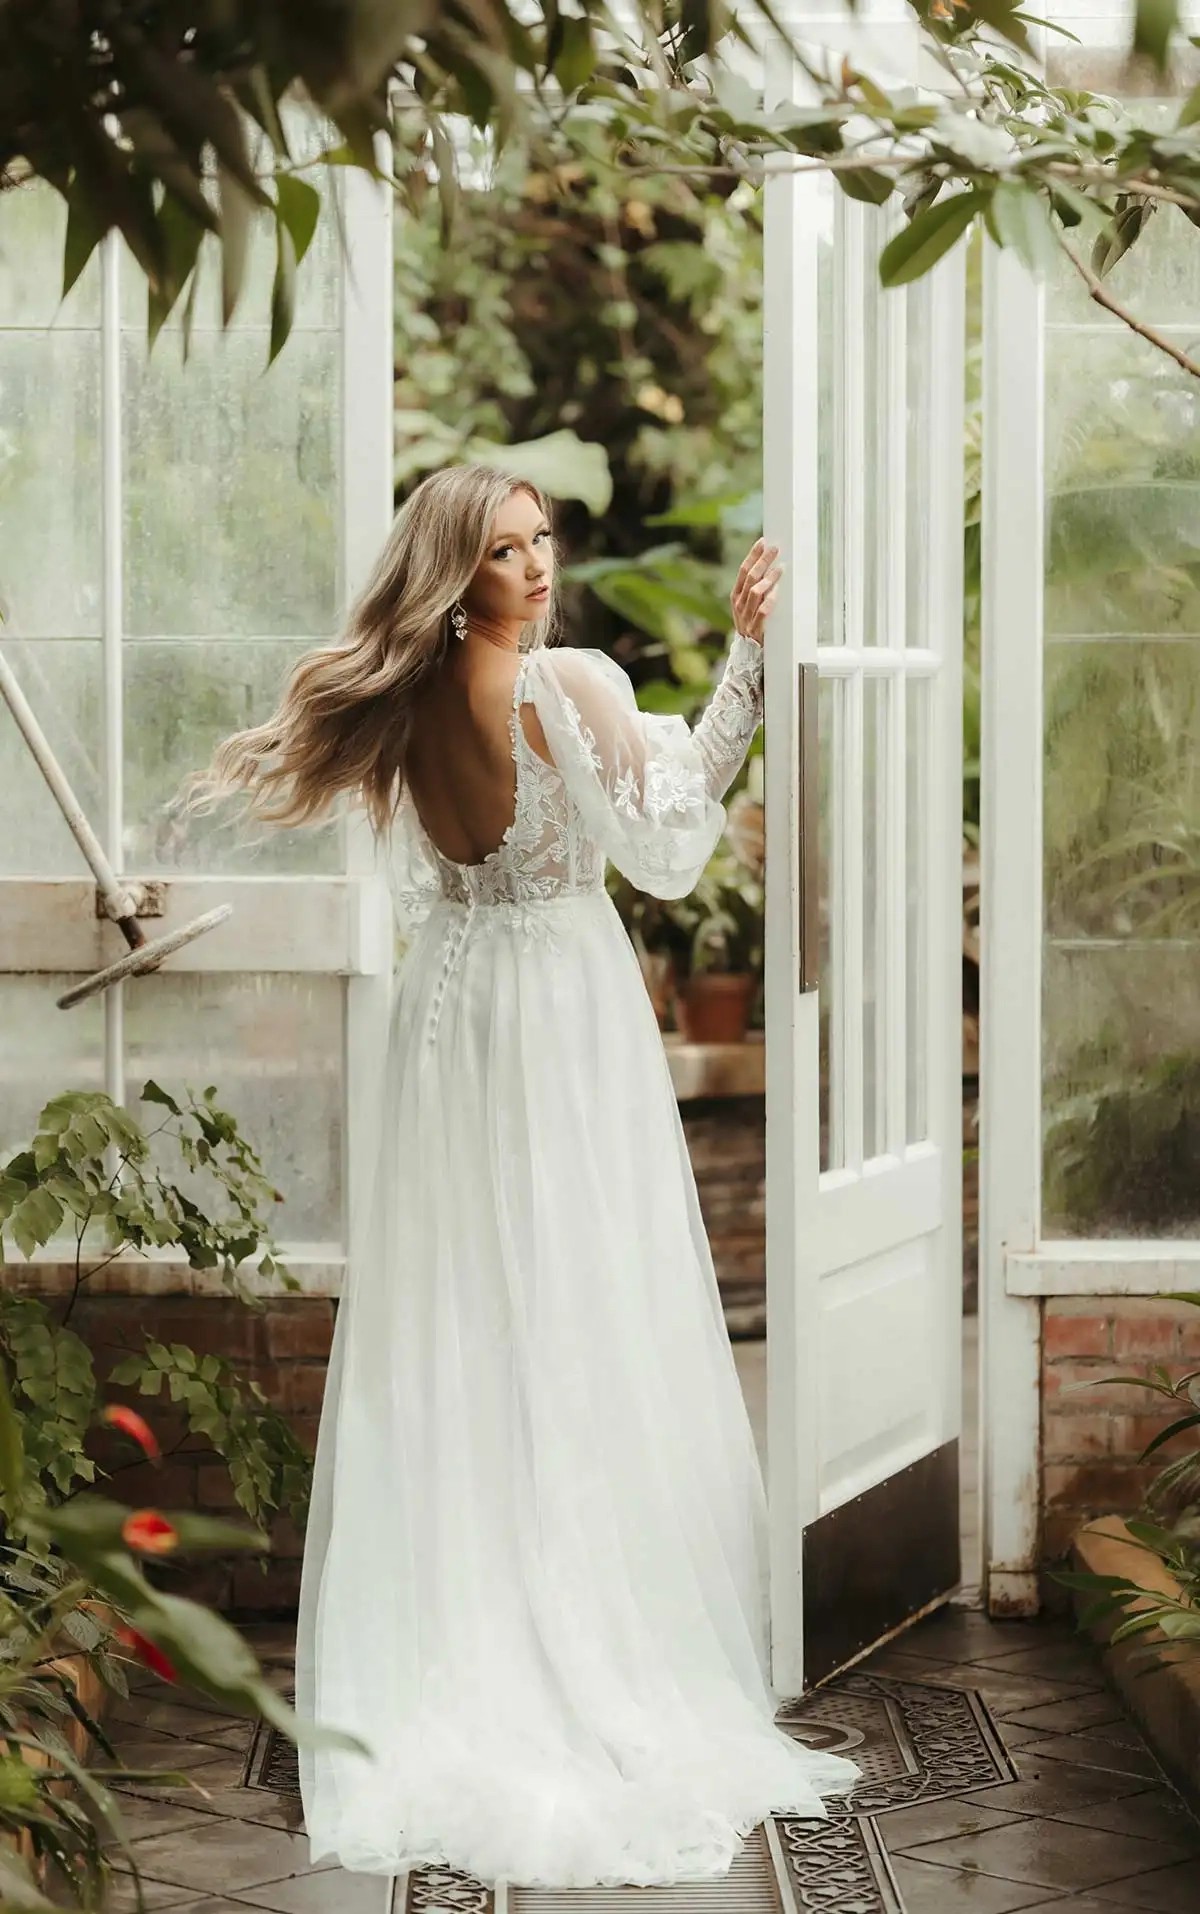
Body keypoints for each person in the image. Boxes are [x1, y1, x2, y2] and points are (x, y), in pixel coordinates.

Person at [187, 464, 860, 1889]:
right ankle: (587, 1634)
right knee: (580, 1307)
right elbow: (673, 836)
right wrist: (747, 658)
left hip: (452, 1020)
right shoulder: (572, 687)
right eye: (506, 549)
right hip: (558, 1011)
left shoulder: (406, 705)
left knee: (464, 1323)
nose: (538, 565)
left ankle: (466, 1627)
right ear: (459, 570)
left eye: (543, 539)